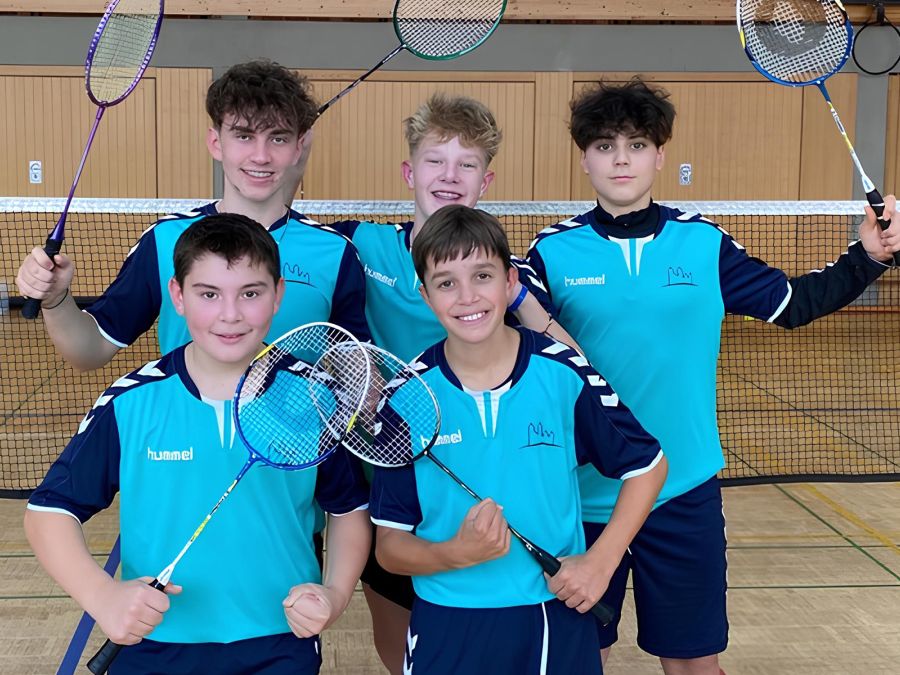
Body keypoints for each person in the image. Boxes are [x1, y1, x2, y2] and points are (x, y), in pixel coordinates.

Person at [524, 78, 900, 675]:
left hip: (684, 489)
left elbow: (793, 303)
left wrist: (868, 257)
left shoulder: (703, 243)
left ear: (660, 155)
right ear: (584, 158)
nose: (621, 158)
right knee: (573, 660)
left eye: (637, 144)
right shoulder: (550, 252)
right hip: (584, 494)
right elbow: (508, 332)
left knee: (695, 663)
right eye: (605, 145)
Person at [24, 213, 370, 674]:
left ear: (278, 297)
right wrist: (102, 596)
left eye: (251, 293)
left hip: (278, 643)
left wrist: (335, 593)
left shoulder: (315, 399)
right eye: (209, 294)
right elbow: (49, 513)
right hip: (155, 642)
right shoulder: (131, 404)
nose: (230, 314)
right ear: (178, 297)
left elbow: (348, 512)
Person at [369, 204, 668, 674]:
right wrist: (456, 553)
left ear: (510, 283)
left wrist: (601, 562)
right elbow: (389, 548)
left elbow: (648, 466)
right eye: (446, 283)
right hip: (448, 621)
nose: (467, 297)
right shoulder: (405, 399)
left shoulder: (563, 372)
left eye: (482, 276)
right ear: (426, 297)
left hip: (550, 618)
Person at [331, 93, 572, 673]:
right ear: (409, 172)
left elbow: (576, 367)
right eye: (436, 161)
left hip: (472, 492)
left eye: (466, 165)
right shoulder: (355, 247)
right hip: (387, 494)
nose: (449, 176)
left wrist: (517, 295)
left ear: (485, 182)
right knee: (405, 653)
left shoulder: (504, 270)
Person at [15, 59, 369, 372]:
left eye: (278, 138)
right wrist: (57, 300)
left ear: (298, 146)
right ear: (216, 143)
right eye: (244, 135)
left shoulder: (336, 253)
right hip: (188, 442)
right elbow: (90, 351)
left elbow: (353, 368)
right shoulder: (166, 240)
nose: (260, 156)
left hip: (293, 442)